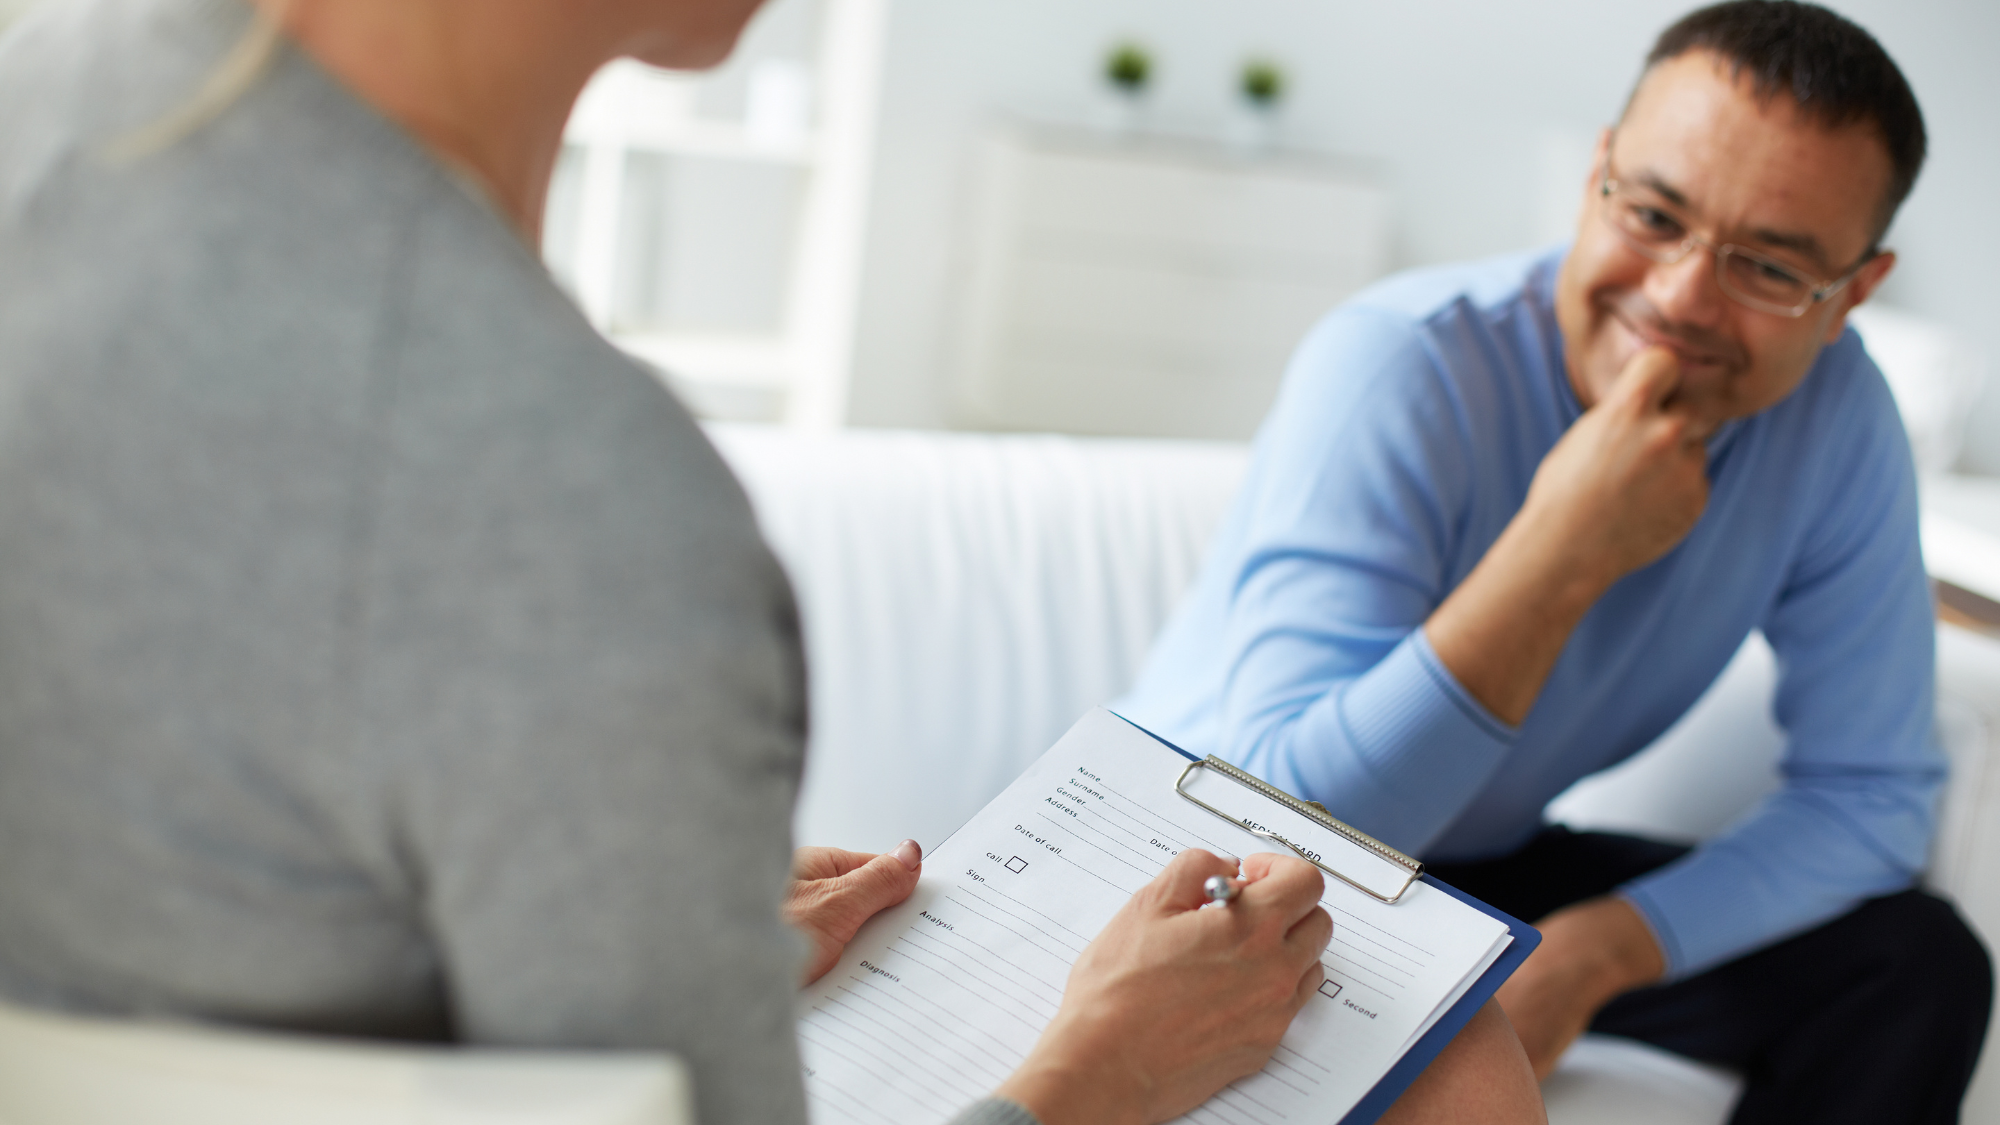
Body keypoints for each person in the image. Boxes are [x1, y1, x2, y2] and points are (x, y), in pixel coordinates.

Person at [0, 1, 1544, 1123]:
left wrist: (638, 919)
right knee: (1457, 1080)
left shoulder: (45, 95)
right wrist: (1101, 1075)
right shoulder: (575, 491)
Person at [1118, 2, 1992, 1121]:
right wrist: (1563, 550)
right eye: (1654, 214)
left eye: (1767, 266)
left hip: (1470, 867)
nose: (1677, 299)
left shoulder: (1834, 416)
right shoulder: (1400, 364)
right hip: (1208, 858)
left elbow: (1870, 796)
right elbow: (1283, 821)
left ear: (1850, 296)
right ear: (1597, 177)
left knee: (1910, 965)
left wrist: (1592, 954)